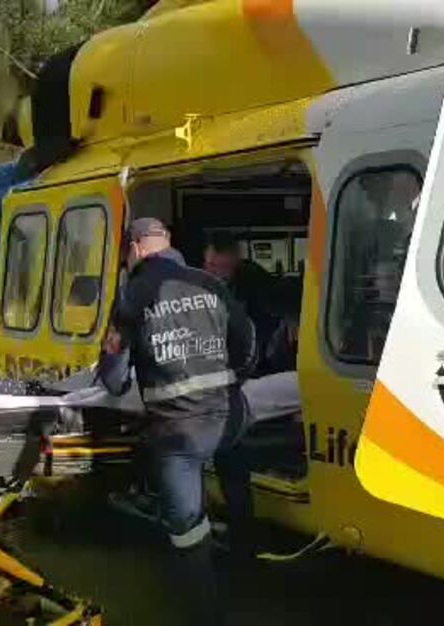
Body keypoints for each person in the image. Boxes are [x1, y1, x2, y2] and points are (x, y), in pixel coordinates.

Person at [97, 218, 258, 626]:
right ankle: (247, 570)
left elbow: (114, 380)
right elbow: (248, 344)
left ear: (135, 249)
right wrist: (229, 380)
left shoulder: (134, 295)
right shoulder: (211, 284)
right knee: (237, 485)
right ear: (167, 244)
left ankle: (205, 612)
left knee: (187, 528)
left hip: (177, 433)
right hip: (227, 417)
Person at [203, 232, 300, 378]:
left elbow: (285, 297)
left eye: (224, 267)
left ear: (236, 263)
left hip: (259, 364)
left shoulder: (255, 281)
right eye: (211, 266)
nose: (217, 273)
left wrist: (292, 318)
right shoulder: (197, 285)